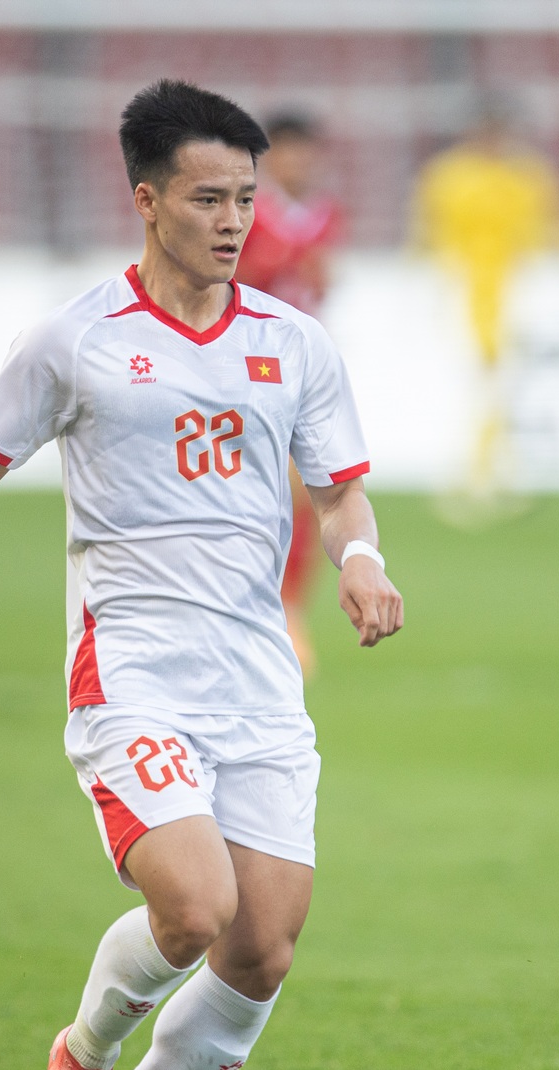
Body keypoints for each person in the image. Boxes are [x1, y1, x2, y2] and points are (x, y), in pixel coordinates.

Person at [0, 80, 403, 1070]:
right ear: (146, 200)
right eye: (207, 199)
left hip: (258, 679)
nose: (234, 221)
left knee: (263, 947)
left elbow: (342, 498)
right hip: (131, 669)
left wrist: (365, 563)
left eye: (245, 197)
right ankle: (80, 1060)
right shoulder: (76, 338)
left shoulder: (294, 342)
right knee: (193, 906)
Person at [411, 99, 559, 510]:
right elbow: (427, 230)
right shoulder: (449, 175)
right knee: (469, 378)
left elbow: (551, 227)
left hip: (516, 285)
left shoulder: (529, 174)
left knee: (506, 379)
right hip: (461, 283)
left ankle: (492, 468)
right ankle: (466, 471)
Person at [235, 111, 344, 678]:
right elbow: (232, 280)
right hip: (247, 364)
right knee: (277, 491)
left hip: (304, 365)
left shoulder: (325, 214)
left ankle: (285, 610)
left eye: (307, 151)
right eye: (289, 151)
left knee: (307, 492)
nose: (299, 162)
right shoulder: (247, 208)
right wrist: (278, 261)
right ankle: (272, 611)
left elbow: (320, 285)